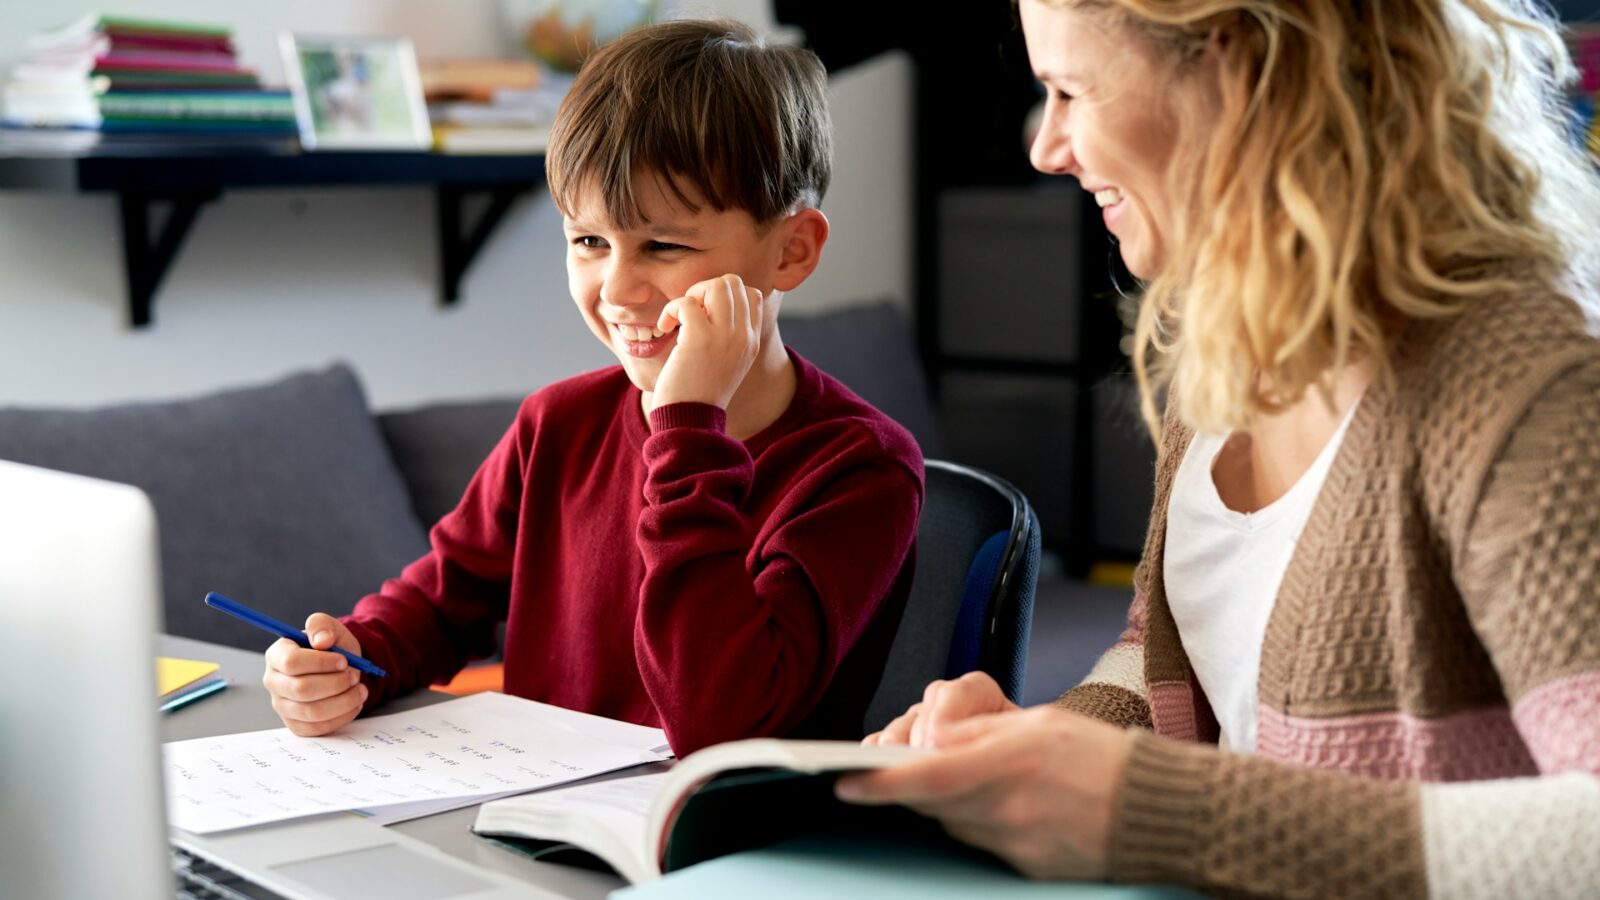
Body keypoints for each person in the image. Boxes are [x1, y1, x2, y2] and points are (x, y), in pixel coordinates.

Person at [839, 0, 1600, 896]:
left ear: (1235, 75)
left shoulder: (1523, 389)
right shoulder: (1233, 342)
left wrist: (1151, 809)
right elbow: (1172, 653)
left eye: (1070, 90)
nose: (1047, 146)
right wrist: (1032, 756)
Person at [260, 19, 923, 756]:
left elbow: (719, 722)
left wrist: (687, 429)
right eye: (588, 241)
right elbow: (441, 605)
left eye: (664, 245)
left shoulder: (859, 468)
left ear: (792, 251)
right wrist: (348, 658)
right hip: (535, 826)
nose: (619, 288)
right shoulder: (558, 423)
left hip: (719, 845)